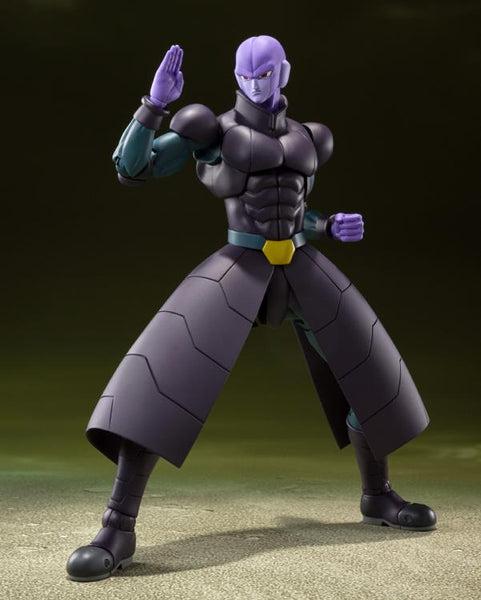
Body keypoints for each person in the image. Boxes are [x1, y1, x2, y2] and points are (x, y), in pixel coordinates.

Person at [66, 35, 436, 582]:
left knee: (367, 369)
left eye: (264, 73)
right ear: (236, 75)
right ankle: (117, 527)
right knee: (158, 382)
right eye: (246, 74)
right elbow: (133, 168)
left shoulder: (311, 137)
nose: (255, 83)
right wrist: (154, 104)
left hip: (301, 265)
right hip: (240, 265)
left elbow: (295, 210)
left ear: (283, 72)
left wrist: (329, 225)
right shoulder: (210, 130)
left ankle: (378, 495)